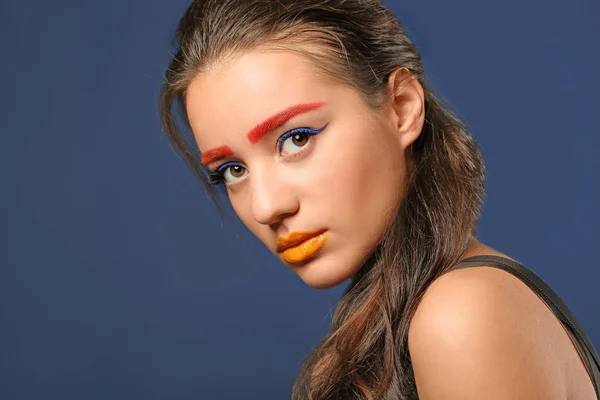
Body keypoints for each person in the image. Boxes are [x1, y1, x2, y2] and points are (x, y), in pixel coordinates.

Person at [159, 0, 599, 398]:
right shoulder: (374, 341)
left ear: (403, 107)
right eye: (232, 171)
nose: (266, 206)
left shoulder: (462, 315)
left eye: (296, 139)